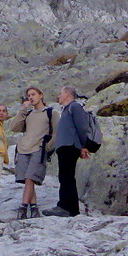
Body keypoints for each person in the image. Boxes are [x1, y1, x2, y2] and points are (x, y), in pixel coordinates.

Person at [10, 86, 60, 219]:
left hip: (38, 149)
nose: (31, 97)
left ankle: (23, 208)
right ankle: (34, 208)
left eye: (33, 94)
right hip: (23, 148)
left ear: (41, 95)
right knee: (27, 179)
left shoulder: (51, 113)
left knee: (30, 177)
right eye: (28, 96)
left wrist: (47, 147)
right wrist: (23, 110)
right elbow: (14, 127)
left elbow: (57, 133)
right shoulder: (28, 114)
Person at [43, 87, 89, 217]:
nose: (58, 96)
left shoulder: (74, 107)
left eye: (60, 93)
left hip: (70, 146)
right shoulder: (68, 109)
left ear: (68, 95)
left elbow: (83, 127)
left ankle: (65, 206)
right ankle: (72, 209)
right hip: (66, 146)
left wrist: (83, 145)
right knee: (66, 176)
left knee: (66, 176)